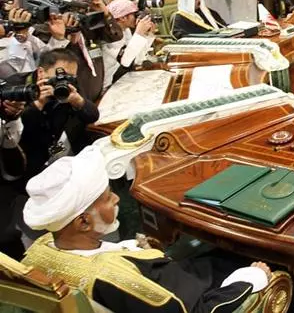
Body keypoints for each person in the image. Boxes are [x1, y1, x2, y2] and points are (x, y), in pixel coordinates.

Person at [21, 146, 275, 313]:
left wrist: (128, 250)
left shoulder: (39, 251)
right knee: (266, 262)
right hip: (202, 295)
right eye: (108, 198)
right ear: (84, 222)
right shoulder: (117, 279)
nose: (117, 199)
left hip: (174, 274)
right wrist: (250, 280)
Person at [9, 49, 99, 185]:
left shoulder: (68, 84)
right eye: (59, 76)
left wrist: (77, 101)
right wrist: (37, 105)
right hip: (27, 159)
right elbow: (15, 135)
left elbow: (93, 116)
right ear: (41, 72)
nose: (63, 81)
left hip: (59, 150)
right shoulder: (16, 86)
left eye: (70, 77)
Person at [101, 0, 156, 90]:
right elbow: (125, 61)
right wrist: (139, 33)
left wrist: (147, 35)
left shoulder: (126, 30)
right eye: (134, 14)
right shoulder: (109, 36)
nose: (137, 17)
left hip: (123, 76)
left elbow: (137, 59)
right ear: (123, 18)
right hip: (109, 83)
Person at [1, 9, 73, 75]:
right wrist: (20, 35)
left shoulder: (10, 37)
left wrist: (58, 38)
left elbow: (44, 60)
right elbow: (22, 75)